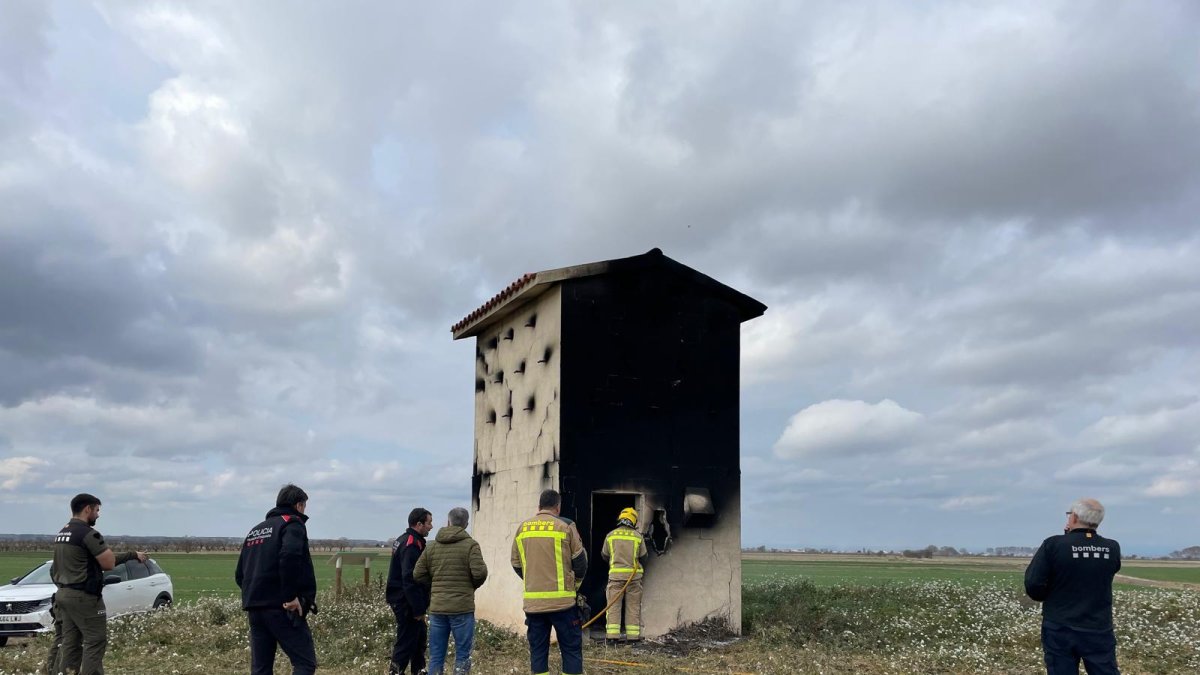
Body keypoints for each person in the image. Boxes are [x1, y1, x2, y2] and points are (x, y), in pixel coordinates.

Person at [49, 492, 146, 675]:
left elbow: (55, 568)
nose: (98, 515)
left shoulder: (63, 533)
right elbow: (108, 563)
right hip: (84, 597)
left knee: (71, 643)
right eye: (97, 510)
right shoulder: (88, 534)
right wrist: (132, 555)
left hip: (63, 594)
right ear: (87, 509)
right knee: (95, 641)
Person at [1025, 498, 1122, 675]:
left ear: (1075, 517)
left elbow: (1033, 583)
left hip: (1059, 625)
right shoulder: (1112, 547)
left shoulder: (1053, 544)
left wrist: (1048, 597)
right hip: (1098, 626)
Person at [235, 484, 319, 675]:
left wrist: (256, 594)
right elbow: (290, 556)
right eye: (304, 506)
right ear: (299, 505)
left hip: (255, 608)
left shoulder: (256, 530)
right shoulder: (292, 523)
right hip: (283, 607)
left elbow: (240, 574)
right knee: (305, 663)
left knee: (261, 669)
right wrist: (290, 596)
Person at [511, 489, 587, 675]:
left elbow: (516, 563)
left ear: (539, 507)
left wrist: (532, 580)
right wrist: (574, 586)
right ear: (558, 507)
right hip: (563, 604)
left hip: (534, 605)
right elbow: (580, 562)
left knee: (538, 651)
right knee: (571, 650)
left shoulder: (522, 528)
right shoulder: (565, 526)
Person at [413, 507, 488, 675]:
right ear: (466, 524)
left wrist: (435, 586)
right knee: (463, 655)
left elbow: (417, 573)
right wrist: (469, 587)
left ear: (448, 522)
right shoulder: (471, 545)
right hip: (462, 608)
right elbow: (480, 573)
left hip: (438, 608)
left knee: (436, 655)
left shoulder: (432, 546)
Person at [388, 508, 433, 675]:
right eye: (429, 523)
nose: (431, 526)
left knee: (419, 638)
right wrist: (418, 609)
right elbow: (409, 579)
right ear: (419, 524)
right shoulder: (411, 544)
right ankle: (395, 671)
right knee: (406, 641)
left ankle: (419, 670)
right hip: (406, 601)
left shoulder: (405, 539)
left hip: (408, 600)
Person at [601, 507, 647, 641]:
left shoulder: (611, 535)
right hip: (634, 579)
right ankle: (633, 638)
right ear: (634, 521)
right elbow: (644, 557)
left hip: (616, 578)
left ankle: (612, 637)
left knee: (613, 606)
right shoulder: (638, 537)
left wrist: (615, 561)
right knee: (633, 607)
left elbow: (604, 555)